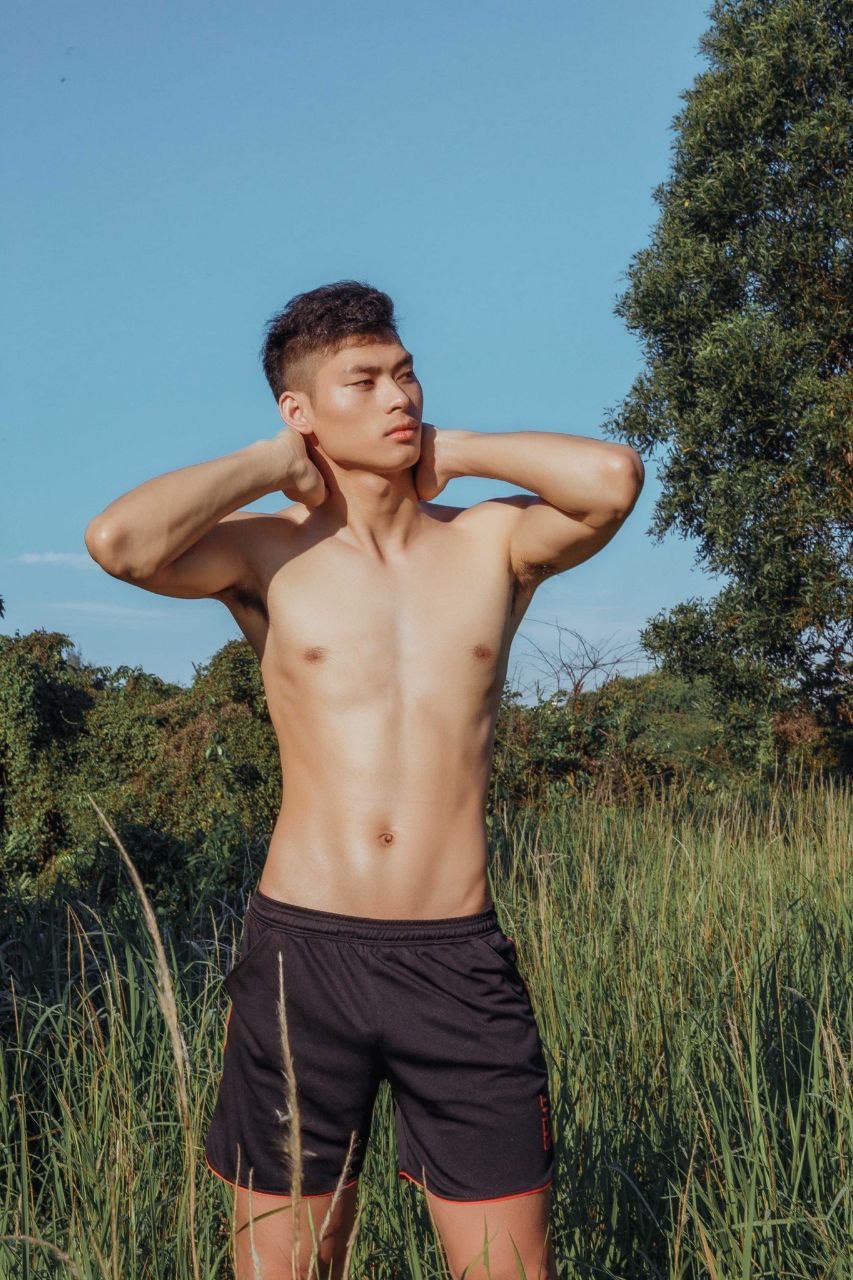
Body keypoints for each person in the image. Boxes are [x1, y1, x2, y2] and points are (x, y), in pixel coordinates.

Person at [84, 280, 643, 1279]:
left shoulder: (489, 541)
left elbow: (612, 478)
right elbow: (118, 543)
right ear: (301, 409)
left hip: (456, 961)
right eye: (365, 381)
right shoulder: (265, 553)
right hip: (303, 959)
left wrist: (455, 450)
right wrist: (271, 462)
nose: (399, 397)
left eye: (404, 373)